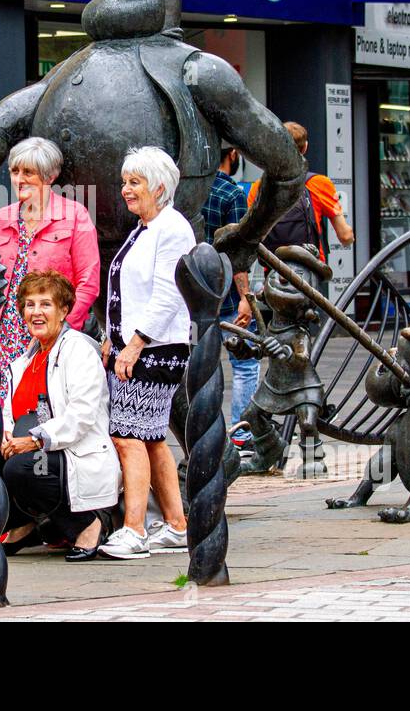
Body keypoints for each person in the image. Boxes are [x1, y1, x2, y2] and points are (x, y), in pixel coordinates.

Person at [99, 146, 194, 560]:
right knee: (152, 439)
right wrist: (112, 336)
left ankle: (133, 529)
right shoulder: (146, 227)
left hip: (155, 349)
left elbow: (167, 295)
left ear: (159, 186)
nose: (125, 190)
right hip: (138, 347)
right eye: (124, 182)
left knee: (127, 438)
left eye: (134, 182)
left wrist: (134, 343)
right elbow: (126, 289)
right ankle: (176, 525)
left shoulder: (172, 228)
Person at [0, 271, 121, 562]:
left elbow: (81, 415)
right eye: (29, 305)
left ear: (64, 310)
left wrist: (33, 440)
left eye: (46, 304)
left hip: (74, 449)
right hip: (39, 446)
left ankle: (88, 525)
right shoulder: (26, 359)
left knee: (22, 468)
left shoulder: (78, 350)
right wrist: (5, 433)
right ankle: (22, 524)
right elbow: (10, 408)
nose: (36, 312)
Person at [0, 137, 100, 410]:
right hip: (5, 333)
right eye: (16, 172)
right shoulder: (1, 218)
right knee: (4, 412)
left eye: (28, 173)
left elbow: (89, 282)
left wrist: (62, 330)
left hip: (50, 333)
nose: (19, 179)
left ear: (50, 176)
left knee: (42, 411)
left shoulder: (74, 215)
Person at [204, 143, 258, 440]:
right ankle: (241, 435)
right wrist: (246, 299)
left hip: (194, 296)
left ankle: (205, 439)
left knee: (203, 369)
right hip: (227, 298)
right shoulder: (232, 193)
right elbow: (238, 254)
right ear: (233, 154)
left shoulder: (185, 191)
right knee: (245, 363)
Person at [247, 121, 355, 260]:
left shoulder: (259, 187)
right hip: (310, 267)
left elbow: (252, 237)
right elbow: (345, 236)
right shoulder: (319, 183)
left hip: (274, 268)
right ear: (305, 148)